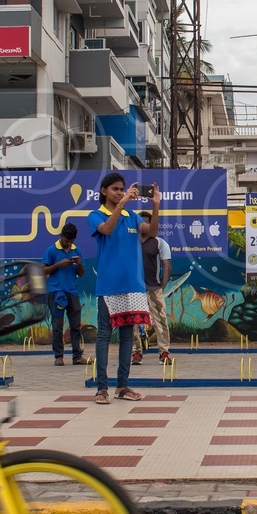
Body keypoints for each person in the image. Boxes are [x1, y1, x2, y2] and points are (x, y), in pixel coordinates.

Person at [91, 173, 157, 405]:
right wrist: (121, 204)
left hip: (133, 286)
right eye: (115, 189)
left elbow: (152, 232)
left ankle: (122, 386)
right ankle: (101, 389)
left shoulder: (132, 216)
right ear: (104, 191)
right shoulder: (96, 215)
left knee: (128, 336)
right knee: (104, 336)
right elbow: (106, 230)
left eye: (122, 189)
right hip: (109, 286)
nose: (120, 192)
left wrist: (156, 206)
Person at [42, 222, 87, 366]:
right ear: (61, 236)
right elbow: (43, 270)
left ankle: (77, 356)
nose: (68, 244)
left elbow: (81, 274)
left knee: (75, 326)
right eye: (66, 241)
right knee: (57, 326)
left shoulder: (77, 251)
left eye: (71, 242)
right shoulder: (51, 250)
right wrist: (58, 265)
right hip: (55, 292)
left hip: (72, 292)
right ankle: (59, 356)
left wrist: (79, 264)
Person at [138, 211, 173, 364]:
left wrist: (162, 287)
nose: (144, 226)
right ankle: (136, 353)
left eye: (147, 223)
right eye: (141, 222)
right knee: (133, 322)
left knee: (161, 320)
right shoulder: (130, 242)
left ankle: (164, 352)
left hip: (154, 287)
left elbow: (167, 267)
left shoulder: (159, 243)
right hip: (135, 289)